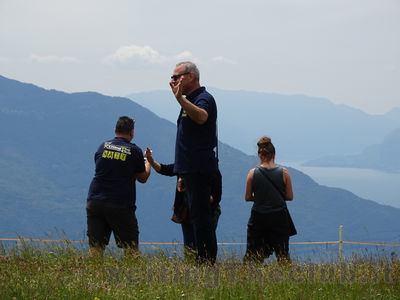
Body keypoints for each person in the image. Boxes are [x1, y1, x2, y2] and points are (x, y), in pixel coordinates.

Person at [169, 61, 219, 264]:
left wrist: (180, 98)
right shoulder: (189, 100)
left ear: (190, 76)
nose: (172, 80)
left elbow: (202, 117)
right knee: (195, 216)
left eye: (176, 76)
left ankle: (206, 261)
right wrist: (181, 173)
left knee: (201, 217)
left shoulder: (203, 98)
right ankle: (201, 258)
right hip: (189, 170)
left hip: (199, 167)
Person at [86, 116, 151, 257]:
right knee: (131, 250)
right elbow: (143, 178)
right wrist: (147, 161)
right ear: (132, 133)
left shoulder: (102, 146)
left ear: (115, 130)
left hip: (95, 201)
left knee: (95, 249)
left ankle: (90, 277)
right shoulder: (134, 151)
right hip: (120, 205)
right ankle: (133, 278)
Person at [144, 148, 221, 260]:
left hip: (207, 213)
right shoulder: (184, 167)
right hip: (188, 213)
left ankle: (204, 266)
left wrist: (196, 194)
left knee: (205, 248)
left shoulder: (213, 171)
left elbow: (216, 197)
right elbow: (165, 169)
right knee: (190, 248)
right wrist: (151, 161)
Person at [243, 136, 296, 263]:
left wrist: (261, 197)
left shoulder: (252, 173)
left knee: (253, 254)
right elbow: (289, 196)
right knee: (282, 254)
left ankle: (252, 278)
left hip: (258, 218)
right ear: (274, 155)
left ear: (259, 155)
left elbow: (248, 197)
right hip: (279, 217)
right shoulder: (284, 173)